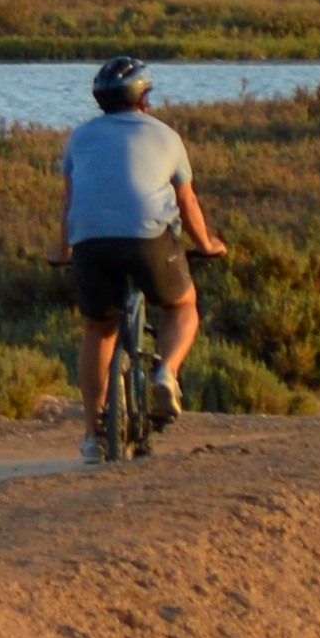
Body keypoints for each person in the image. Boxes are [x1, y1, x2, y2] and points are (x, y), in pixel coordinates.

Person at [63, 55, 227, 455]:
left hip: (90, 243)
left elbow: (69, 203)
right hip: (148, 240)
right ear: (143, 99)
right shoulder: (165, 135)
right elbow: (186, 202)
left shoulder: (80, 138)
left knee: (99, 329)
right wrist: (206, 244)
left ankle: (91, 436)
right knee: (182, 305)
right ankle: (165, 374)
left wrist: (61, 251)